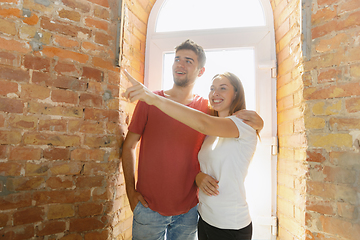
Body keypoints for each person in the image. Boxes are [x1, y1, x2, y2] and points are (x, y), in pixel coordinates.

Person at [121, 39, 263, 240]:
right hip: (149, 207)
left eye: (188, 61)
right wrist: (130, 190)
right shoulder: (148, 102)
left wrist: (260, 124)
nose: (180, 64)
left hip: (189, 212)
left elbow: (218, 124)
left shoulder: (207, 111)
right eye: (177, 59)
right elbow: (129, 147)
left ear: (200, 71)